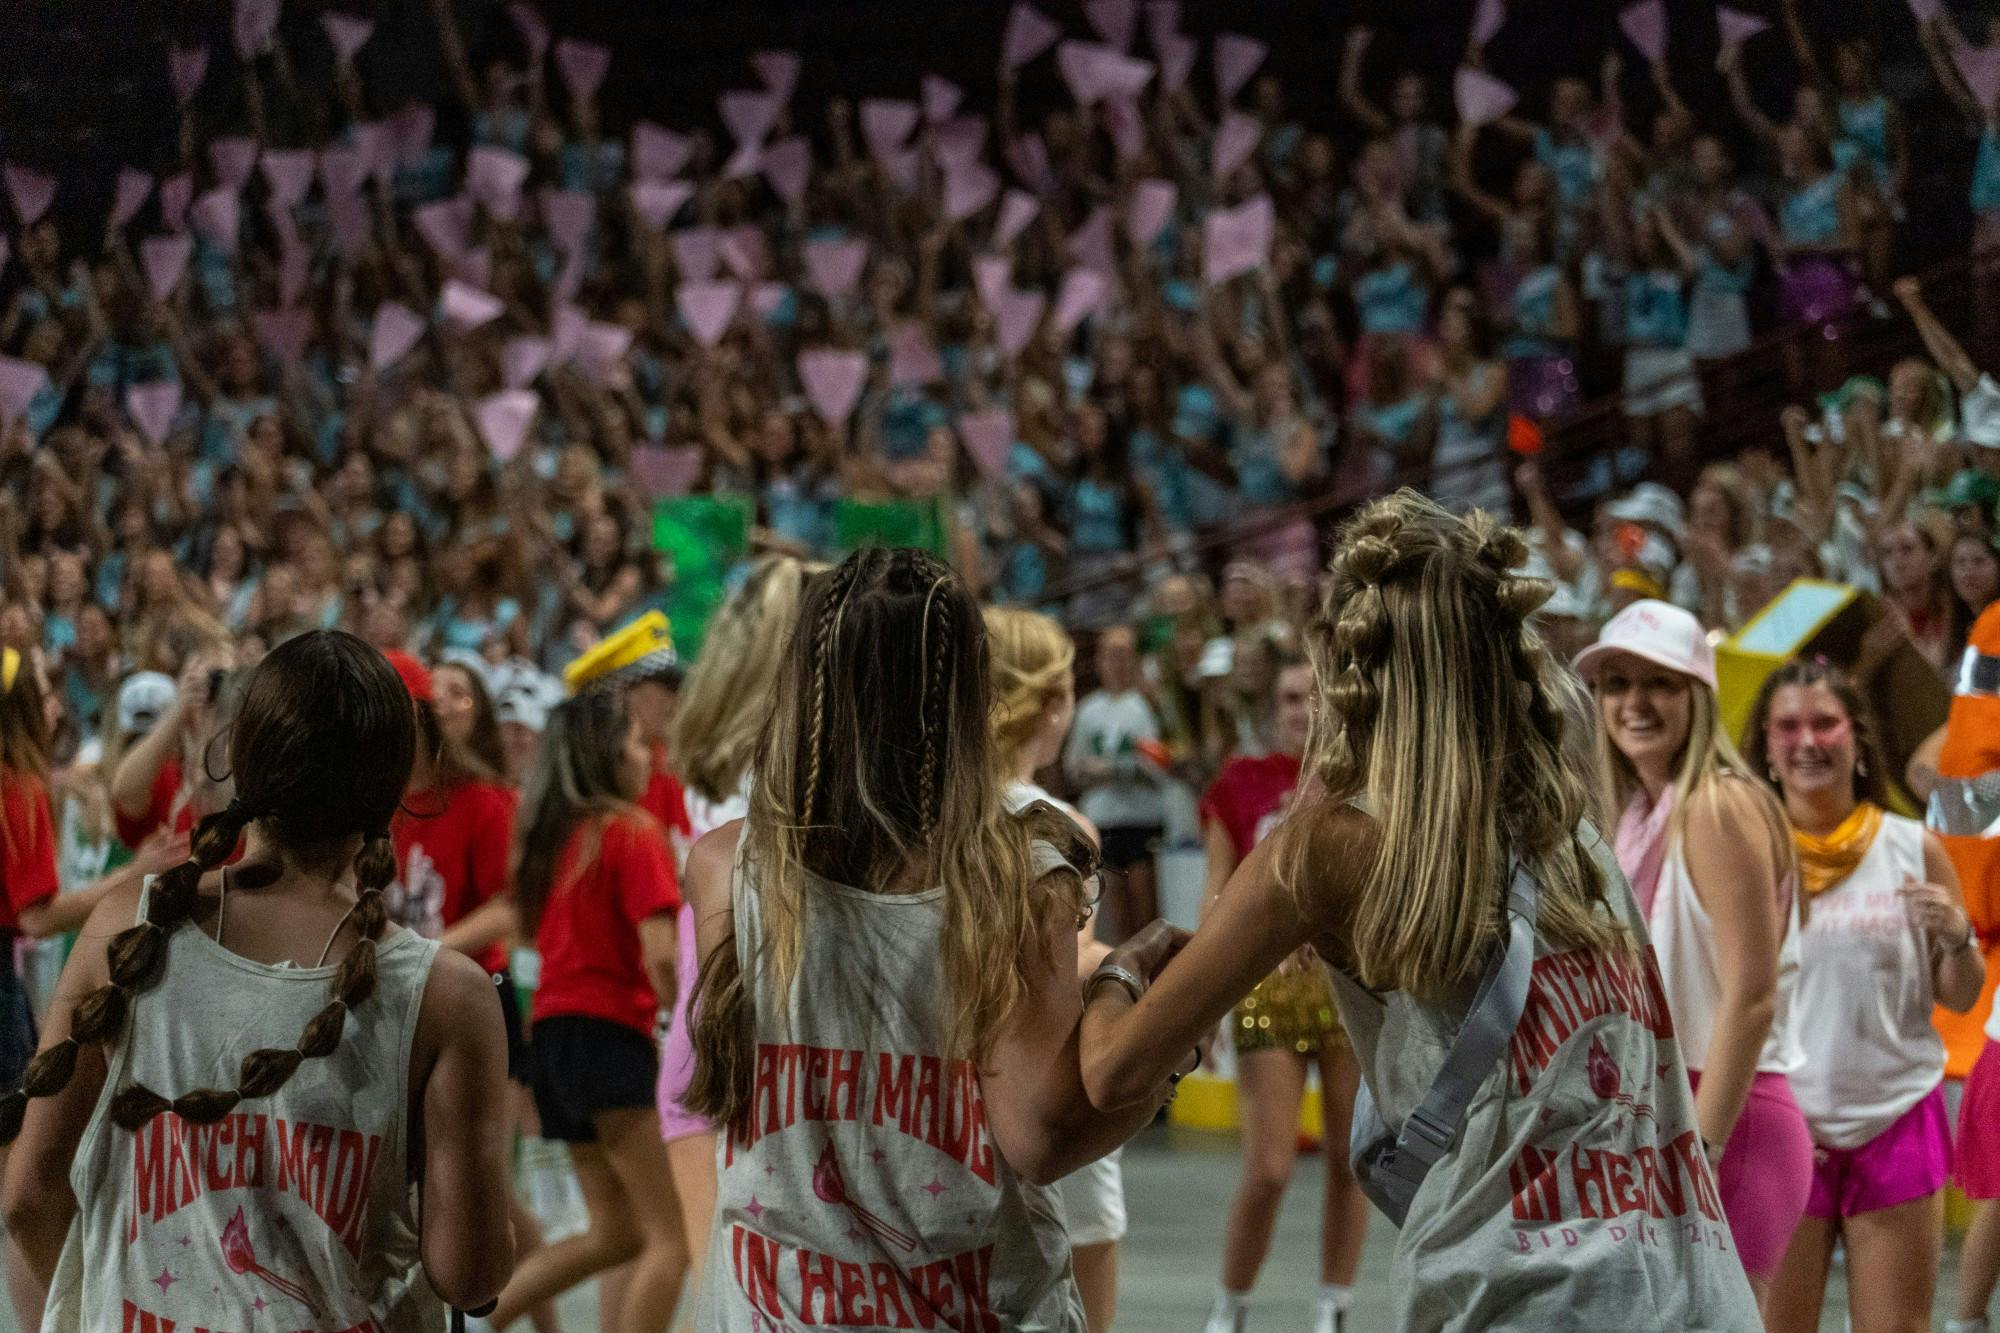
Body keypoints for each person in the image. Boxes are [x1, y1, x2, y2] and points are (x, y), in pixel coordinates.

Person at [1073, 493, 1759, 1330]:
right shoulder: (1573, 838)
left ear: (1344, 667)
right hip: (1688, 1290)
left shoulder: (1327, 851)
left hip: (1510, 1299)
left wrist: (1120, 966)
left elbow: (1111, 1073)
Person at [682, 548, 1177, 1330]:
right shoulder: (1014, 878)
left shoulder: (724, 867)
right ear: (970, 696)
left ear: (808, 686)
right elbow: (1040, 1138)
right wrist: (1138, 995)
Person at [1, 630, 515, 1327]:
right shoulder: (448, 994)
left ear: (242, 757)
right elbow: (469, 1273)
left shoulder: (131, 925)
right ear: (396, 783)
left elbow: (28, 1195)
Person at [1578, 599, 1812, 1305]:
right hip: (1672, 1111)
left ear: (1698, 695)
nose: (1634, 702)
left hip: (1725, 1118)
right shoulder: (1643, 813)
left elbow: (1751, 994)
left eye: (1659, 682)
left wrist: (1699, 1148)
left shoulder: (1714, 804)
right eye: (1616, 683)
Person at [1742, 660, 1981, 1333]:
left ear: (1858, 737)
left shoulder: (1913, 847)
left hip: (1895, 1116)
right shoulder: (1748, 852)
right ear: (1766, 742)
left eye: (1825, 723)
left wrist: (1959, 936)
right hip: (1782, 1126)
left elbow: (1961, 997)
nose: (1807, 741)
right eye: (1788, 726)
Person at [488, 686, 687, 1333]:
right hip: (609, 1037)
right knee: (672, 1239)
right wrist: (684, 1017)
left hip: (552, 1041)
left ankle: (480, 1320)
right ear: (608, 755)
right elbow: (660, 955)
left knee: (615, 1233)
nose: (649, 753)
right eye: (635, 740)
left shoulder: (556, 840)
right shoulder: (633, 832)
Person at [656, 561, 814, 1324]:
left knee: (730, 1295)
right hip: (742, 1040)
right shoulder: (776, 780)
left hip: (714, 1033)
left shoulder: (716, 767)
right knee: (741, 1299)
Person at [1199, 655, 1367, 1333]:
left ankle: (1333, 1306)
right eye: (1290, 696)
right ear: (1273, 705)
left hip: (1349, 984)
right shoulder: (1240, 782)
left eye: (1314, 697)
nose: (1302, 709)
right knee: (1268, 1167)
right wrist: (1201, 999)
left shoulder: (1361, 783)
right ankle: (1229, 1306)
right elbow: (1217, 895)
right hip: (1267, 985)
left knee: (1350, 1158)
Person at [985, 606, 1125, 1333]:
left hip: (964, 1082)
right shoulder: (1060, 825)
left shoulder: (951, 815)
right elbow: (1066, 977)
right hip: (1052, 1074)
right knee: (1087, 1252)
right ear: (1051, 703)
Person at [1065, 626, 1167, 941]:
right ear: (1098, 661)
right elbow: (1073, 766)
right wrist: (1091, 772)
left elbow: (1161, 760)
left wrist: (1116, 770)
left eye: (1123, 655)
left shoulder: (1146, 704)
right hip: (1104, 820)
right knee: (1118, 915)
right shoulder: (1087, 709)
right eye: (1110, 655)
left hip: (1141, 818)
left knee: (1147, 911)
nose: (1116, 663)